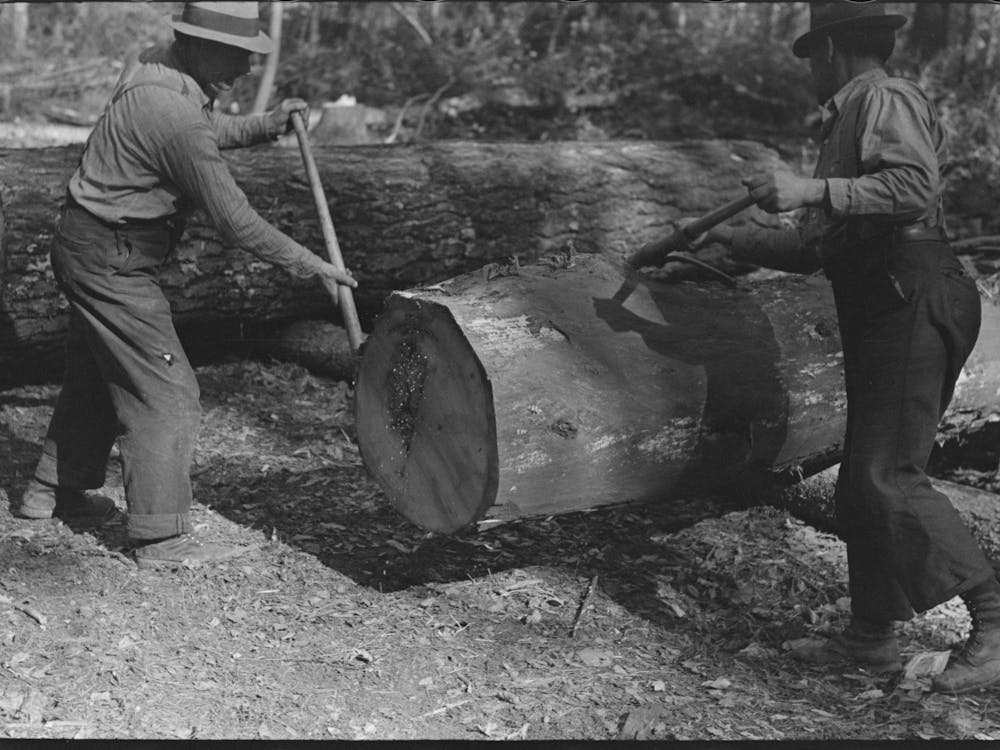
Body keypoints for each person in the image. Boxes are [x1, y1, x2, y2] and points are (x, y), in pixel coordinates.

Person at [686, 2, 1000, 694]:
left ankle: (994, 622)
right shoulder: (847, 120)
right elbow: (819, 245)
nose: (809, 73)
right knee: (863, 477)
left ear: (829, 50)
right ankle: (870, 638)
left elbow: (914, 186)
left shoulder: (884, 97)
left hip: (913, 294)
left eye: (810, 59)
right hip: (884, 303)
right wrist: (733, 239)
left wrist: (810, 188)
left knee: (889, 475)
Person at [13, 1, 357, 570]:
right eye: (235, 54)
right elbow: (236, 220)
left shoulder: (159, 67)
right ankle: (161, 537)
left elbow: (202, 129)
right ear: (196, 43)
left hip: (86, 243)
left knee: (102, 372)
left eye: (250, 54)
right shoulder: (172, 114)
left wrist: (266, 124)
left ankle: (51, 491)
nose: (245, 68)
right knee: (166, 390)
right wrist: (311, 265)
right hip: (110, 260)